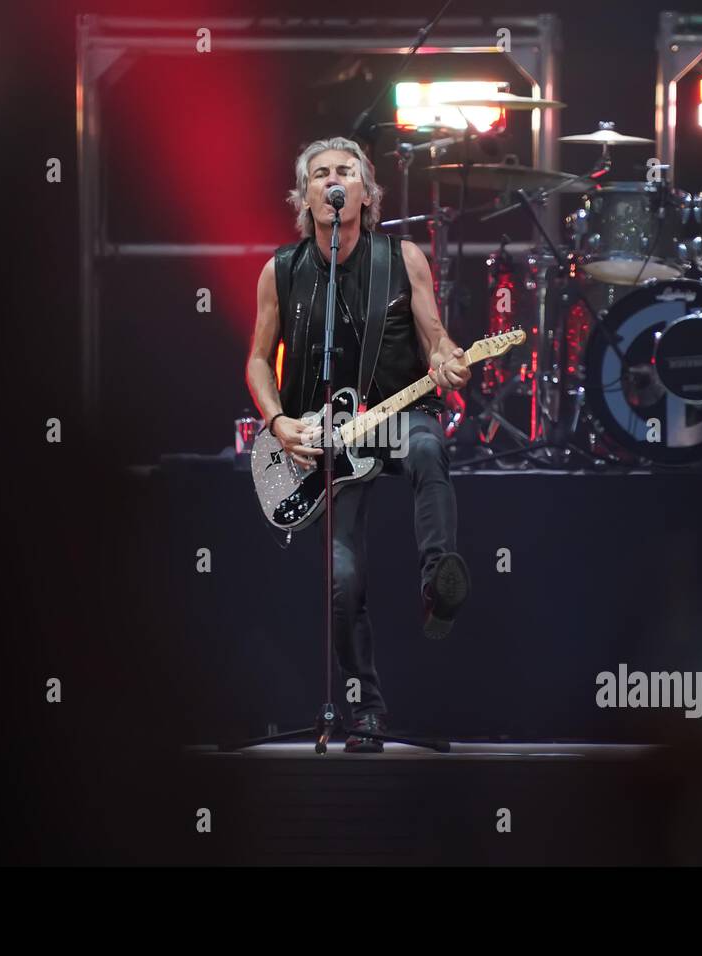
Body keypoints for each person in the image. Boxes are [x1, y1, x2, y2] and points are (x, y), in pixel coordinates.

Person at [245, 136, 472, 752]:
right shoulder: (280, 270)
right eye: (320, 174)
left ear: (367, 195)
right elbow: (259, 362)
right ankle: (364, 709)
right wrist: (276, 422)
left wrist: (450, 360)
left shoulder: (404, 259)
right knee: (343, 582)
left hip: (399, 417)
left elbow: (437, 340)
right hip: (323, 440)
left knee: (427, 449)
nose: (333, 181)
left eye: (345, 172)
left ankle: (438, 581)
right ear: (305, 197)